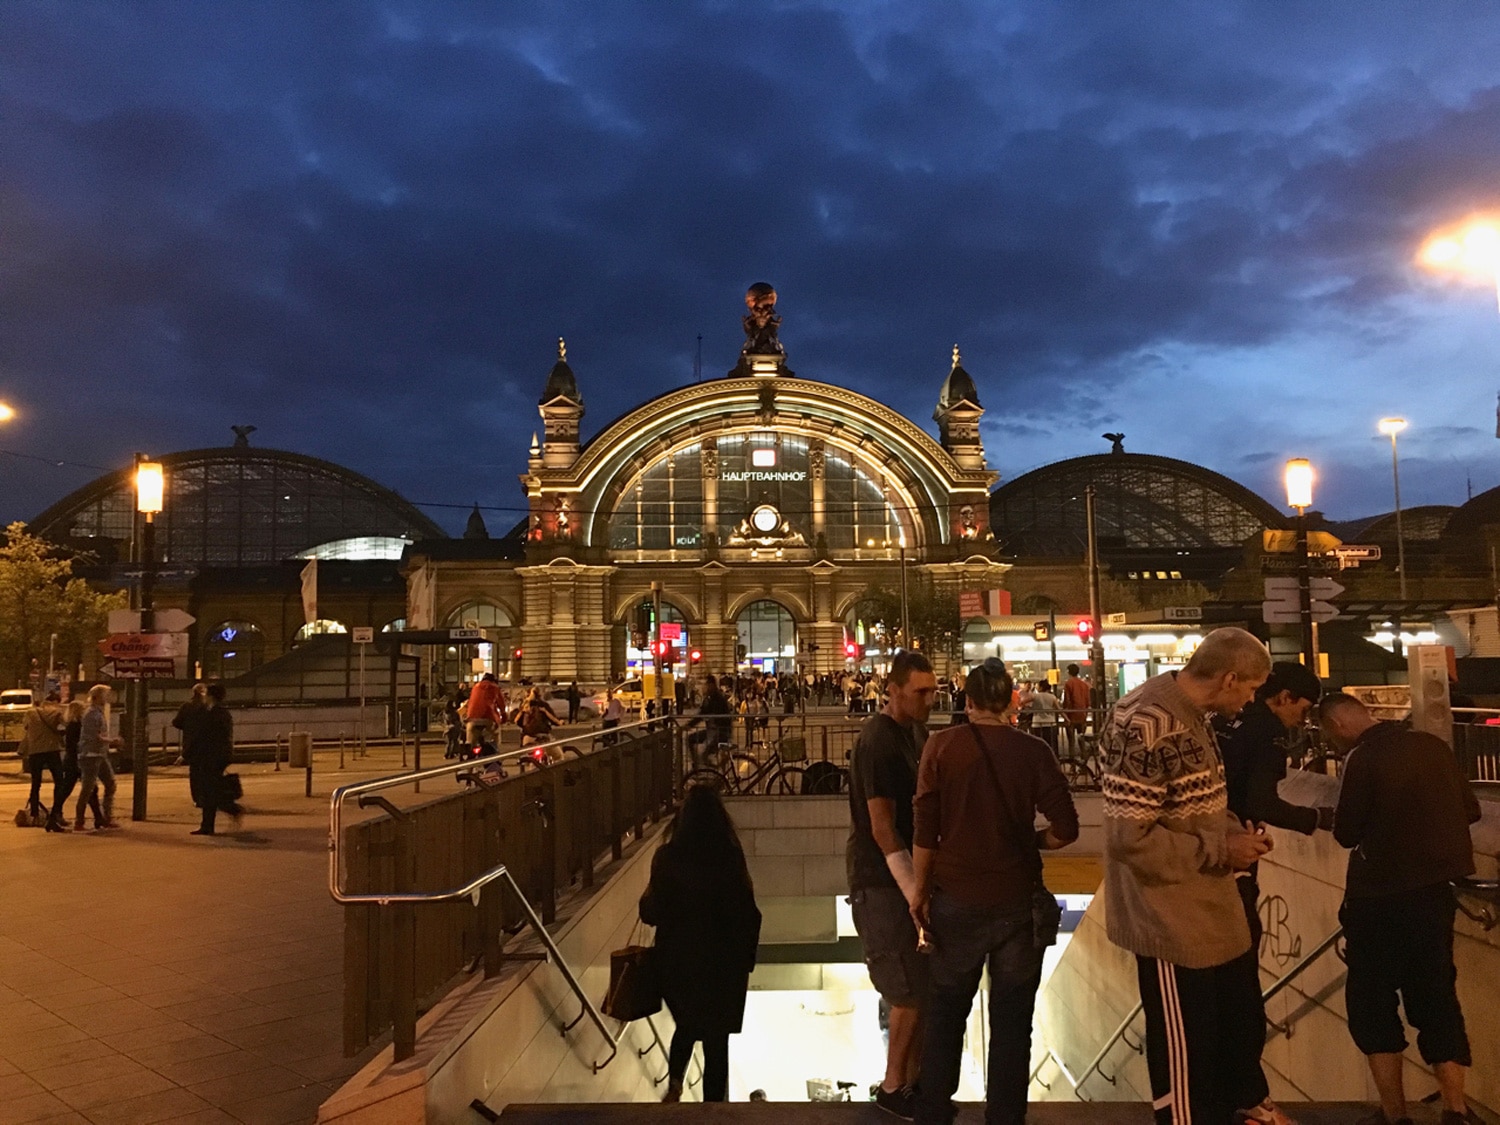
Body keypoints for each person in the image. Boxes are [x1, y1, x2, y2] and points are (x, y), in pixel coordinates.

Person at [1099, 627, 1274, 1125]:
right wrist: (1223, 847)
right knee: (1185, 1057)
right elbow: (1128, 840)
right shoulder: (1146, 721)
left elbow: (1194, 807)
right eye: (1252, 687)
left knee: (1227, 1033)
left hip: (1208, 908)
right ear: (1229, 678)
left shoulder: (1195, 716)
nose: (1253, 698)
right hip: (1170, 920)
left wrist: (1237, 834)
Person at [911, 659, 1079, 1125]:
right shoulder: (1033, 752)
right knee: (1012, 1023)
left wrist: (919, 894)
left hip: (955, 898)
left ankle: (932, 1111)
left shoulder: (940, 748)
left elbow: (925, 832)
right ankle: (1004, 1116)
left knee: (945, 1015)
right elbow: (1067, 828)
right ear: (1011, 701)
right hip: (1016, 904)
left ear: (965, 702)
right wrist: (1035, 840)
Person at [1319, 693, 1481, 1125]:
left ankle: (1395, 1115)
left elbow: (1346, 833)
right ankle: (1456, 1109)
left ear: (1337, 726)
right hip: (1434, 897)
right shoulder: (1433, 745)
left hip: (1378, 902)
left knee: (1372, 1003)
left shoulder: (1362, 758)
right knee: (1437, 998)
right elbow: (1471, 809)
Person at [1214, 661, 1332, 1125]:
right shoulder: (1266, 733)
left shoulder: (1226, 723)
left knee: (1221, 990)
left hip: (1211, 853)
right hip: (1235, 862)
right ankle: (1250, 1097)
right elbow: (1261, 801)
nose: (1300, 720)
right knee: (1244, 986)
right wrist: (1315, 819)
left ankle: (1224, 1093)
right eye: (1300, 709)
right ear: (1282, 697)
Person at [847, 650, 938, 1119]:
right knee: (905, 987)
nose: (930, 698)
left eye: (934, 689)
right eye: (920, 691)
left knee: (918, 987)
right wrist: (913, 889)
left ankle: (911, 1083)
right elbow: (883, 825)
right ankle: (893, 1086)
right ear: (894, 690)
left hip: (900, 879)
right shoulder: (879, 741)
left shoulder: (915, 733)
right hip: (882, 880)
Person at [638, 785, 761, 1103]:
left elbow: (650, 912)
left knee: (687, 1025)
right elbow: (747, 911)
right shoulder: (730, 858)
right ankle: (712, 1110)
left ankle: (676, 1083)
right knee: (717, 1041)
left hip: (678, 961)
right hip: (722, 964)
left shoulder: (667, 857)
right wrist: (745, 959)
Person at [188, 683, 239, 835]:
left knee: (208, 790)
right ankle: (210, 822)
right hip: (217, 756)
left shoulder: (213, 713)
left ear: (210, 696)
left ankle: (228, 811)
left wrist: (186, 753)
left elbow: (202, 736)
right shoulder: (221, 712)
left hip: (211, 757)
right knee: (210, 790)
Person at [75, 684, 121, 831]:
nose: (108, 698)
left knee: (110, 783)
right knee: (87, 789)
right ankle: (79, 821)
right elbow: (94, 736)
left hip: (99, 754)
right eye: (105, 695)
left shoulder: (98, 713)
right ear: (98, 697)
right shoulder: (91, 714)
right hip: (90, 755)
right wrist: (112, 741)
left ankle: (106, 817)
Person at [53, 697, 103, 830]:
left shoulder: (71, 725)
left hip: (71, 761)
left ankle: (98, 818)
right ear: (79, 711)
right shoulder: (77, 726)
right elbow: (77, 745)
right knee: (89, 789)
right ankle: (96, 818)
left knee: (72, 789)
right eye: (83, 710)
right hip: (78, 761)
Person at [20, 693, 65, 828]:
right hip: (52, 750)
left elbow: (26, 727)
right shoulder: (57, 713)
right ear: (56, 701)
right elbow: (63, 727)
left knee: (36, 783)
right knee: (59, 781)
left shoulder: (30, 713)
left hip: (35, 751)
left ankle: (34, 814)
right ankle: (57, 813)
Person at [464, 673, 504, 748]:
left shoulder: (475, 687)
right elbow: (501, 704)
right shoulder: (495, 687)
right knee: (495, 733)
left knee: (471, 737)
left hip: (472, 717)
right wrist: (504, 716)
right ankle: (495, 751)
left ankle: (469, 749)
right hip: (488, 717)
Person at [1061, 664, 1090, 752]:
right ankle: (1083, 758)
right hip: (1082, 715)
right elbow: (1087, 701)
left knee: (1071, 742)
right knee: (1081, 740)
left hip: (1071, 715)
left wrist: (1064, 712)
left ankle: (1072, 762)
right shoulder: (1084, 685)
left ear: (1069, 672)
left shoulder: (1068, 683)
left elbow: (1067, 700)